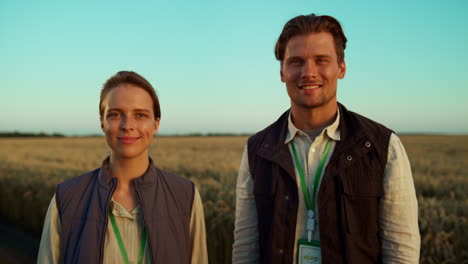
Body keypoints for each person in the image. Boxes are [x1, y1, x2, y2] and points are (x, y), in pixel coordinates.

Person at [232, 14, 420, 264]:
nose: (309, 72)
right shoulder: (258, 150)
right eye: (296, 62)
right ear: (282, 72)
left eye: (321, 60)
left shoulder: (383, 146)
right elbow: (245, 248)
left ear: (341, 68)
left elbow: (401, 250)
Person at [37, 71, 208, 263]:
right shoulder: (67, 198)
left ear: (156, 124)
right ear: (102, 122)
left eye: (140, 115)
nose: (128, 125)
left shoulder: (185, 196)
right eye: (115, 114)